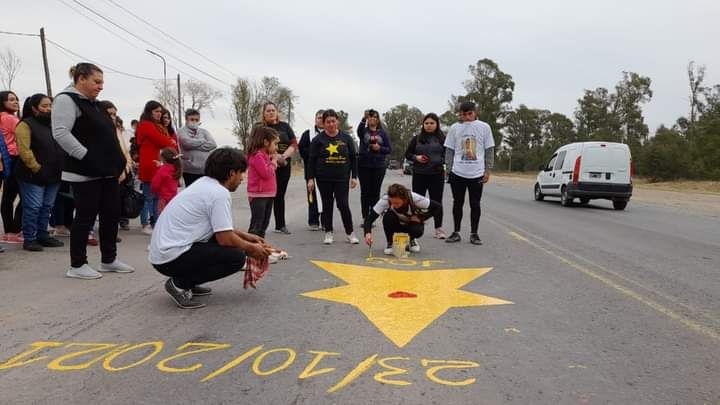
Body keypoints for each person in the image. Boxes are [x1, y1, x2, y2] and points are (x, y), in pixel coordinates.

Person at [149, 147, 275, 309]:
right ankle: (179, 284)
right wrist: (251, 248)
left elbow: (222, 228)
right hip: (170, 257)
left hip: (164, 254)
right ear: (231, 173)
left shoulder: (205, 184)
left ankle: (189, 282)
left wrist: (247, 237)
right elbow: (225, 238)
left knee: (230, 245)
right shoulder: (218, 193)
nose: (242, 178)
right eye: (241, 173)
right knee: (236, 258)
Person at [52, 63, 134, 279]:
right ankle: (77, 265)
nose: (101, 87)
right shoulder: (66, 100)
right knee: (85, 217)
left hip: (107, 172)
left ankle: (109, 260)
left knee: (110, 215)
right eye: (97, 82)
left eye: (102, 82)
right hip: (84, 171)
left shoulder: (94, 104)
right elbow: (60, 133)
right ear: (81, 79)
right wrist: (86, 156)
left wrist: (118, 163)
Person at [15, 93, 65, 252]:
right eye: (44, 106)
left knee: (47, 206)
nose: (48, 109)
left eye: (50, 105)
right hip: (33, 174)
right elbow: (24, 151)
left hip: (54, 174)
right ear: (34, 108)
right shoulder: (25, 125)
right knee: (33, 207)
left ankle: (43, 235)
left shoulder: (53, 125)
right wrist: (37, 168)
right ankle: (30, 238)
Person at [443, 101, 494, 245]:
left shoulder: (484, 127)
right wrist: (448, 169)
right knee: (457, 203)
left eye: (469, 114)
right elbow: (449, 150)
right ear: (460, 114)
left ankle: (474, 233)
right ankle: (456, 231)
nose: (466, 117)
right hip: (457, 171)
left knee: (475, 204)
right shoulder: (454, 128)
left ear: (475, 112)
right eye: (463, 114)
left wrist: (487, 170)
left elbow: (489, 149)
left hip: (477, 172)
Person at [306, 109, 359, 245]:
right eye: (327, 122)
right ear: (323, 124)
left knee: (343, 205)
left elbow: (353, 158)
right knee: (327, 205)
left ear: (338, 122)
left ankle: (350, 233)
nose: (330, 124)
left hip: (342, 178)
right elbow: (311, 160)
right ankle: (328, 232)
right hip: (323, 178)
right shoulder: (318, 140)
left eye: (333, 121)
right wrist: (310, 178)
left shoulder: (346, 138)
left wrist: (354, 176)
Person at [364, 183, 441, 255]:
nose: (394, 205)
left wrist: (421, 218)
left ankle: (411, 240)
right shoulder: (385, 199)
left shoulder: (414, 198)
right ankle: (390, 242)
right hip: (395, 221)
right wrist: (368, 233)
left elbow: (438, 207)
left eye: (397, 203)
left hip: (411, 223)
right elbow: (369, 219)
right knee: (388, 217)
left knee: (417, 230)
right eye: (392, 202)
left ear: (404, 199)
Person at [136, 101, 177, 234]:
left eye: (160, 111)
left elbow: (171, 143)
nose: (159, 114)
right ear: (149, 112)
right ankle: (145, 224)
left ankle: (156, 224)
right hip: (150, 165)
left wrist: (170, 142)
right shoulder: (146, 125)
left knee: (156, 198)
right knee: (148, 197)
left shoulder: (156, 126)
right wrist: (169, 141)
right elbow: (163, 141)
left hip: (158, 165)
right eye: (156, 111)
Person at [404, 112, 447, 239]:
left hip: (436, 174)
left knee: (437, 202)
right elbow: (408, 154)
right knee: (417, 202)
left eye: (432, 123)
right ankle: (416, 228)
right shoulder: (416, 138)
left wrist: (440, 161)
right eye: (426, 123)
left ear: (437, 124)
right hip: (419, 174)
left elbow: (448, 155)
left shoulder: (443, 139)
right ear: (423, 124)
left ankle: (438, 229)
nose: (429, 125)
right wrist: (416, 157)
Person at [259, 102, 296, 234]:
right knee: (266, 195)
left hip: (284, 165)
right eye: (268, 110)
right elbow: (256, 146)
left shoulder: (285, 126)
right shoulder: (260, 128)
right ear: (263, 113)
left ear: (277, 112)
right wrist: (274, 156)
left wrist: (283, 157)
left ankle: (280, 225)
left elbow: (293, 143)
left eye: (273, 110)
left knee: (280, 195)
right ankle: (259, 226)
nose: (271, 112)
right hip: (265, 164)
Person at [357, 109, 391, 223]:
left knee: (375, 192)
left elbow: (389, 149)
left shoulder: (382, 133)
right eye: (370, 117)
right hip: (364, 165)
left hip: (379, 166)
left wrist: (379, 148)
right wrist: (363, 119)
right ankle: (365, 217)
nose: (372, 118)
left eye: (375, 117)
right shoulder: (364, 131)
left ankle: (373, 216)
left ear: (378, 120)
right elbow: (359, 131)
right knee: (365, 192)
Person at [246, 126, 279, 238]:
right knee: (257, 225)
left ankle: (260, 248)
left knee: (264, 224)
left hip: (268, 195)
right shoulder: (257, 156)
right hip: (259, 196)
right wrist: (273, 162)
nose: (276, 147)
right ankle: (250, 250)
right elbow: (266, 174)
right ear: (265, 142)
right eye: (275, 144)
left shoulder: (265, 156)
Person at [0, 90, 23, 243]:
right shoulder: (10, 118)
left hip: (6, 160)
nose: (16, 102)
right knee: (26, 196)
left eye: (16, 99)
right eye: (11, 100)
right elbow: (26, 135)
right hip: (15, 158)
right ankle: (15, 230)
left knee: (8, 196)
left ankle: (9, 231)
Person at [298, 109, 324, 231]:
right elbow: (302, 149)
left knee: (327, 197)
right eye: (318, 117)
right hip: (311, 170)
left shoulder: (331, 134)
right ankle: (313, 221)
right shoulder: (307, 134)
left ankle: (326, 222)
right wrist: (315, 154)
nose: (320, 119)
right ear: (315, 119)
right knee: (312, 196)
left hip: (327, 171)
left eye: (322, 117)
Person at [177, 108, 216, 187]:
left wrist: (194, 144)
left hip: (204, 170)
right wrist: (202, 140)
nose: (194, 121)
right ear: (186, 119)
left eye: (196, 120)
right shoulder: (181, 131)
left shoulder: (204, 131)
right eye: (192, 119)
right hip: (190, 170)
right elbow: (187, 143)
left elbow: (213, 144)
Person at [150, 148, 182, 214]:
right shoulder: (176, 168)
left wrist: (153, 191)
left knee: (162, 216)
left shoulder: (162, 170)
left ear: (163, 159)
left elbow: (154, 184)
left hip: (163, 199)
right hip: (173, 198)